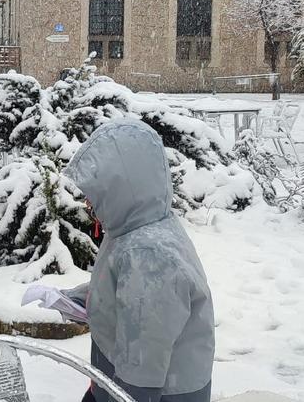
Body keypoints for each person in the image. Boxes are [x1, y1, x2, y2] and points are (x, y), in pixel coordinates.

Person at [62, 119, 215, 402]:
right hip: (114, 378)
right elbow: (126, 289)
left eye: (95, 192)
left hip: (153, 393)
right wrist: (85, 297)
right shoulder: (132, 226)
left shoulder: (149, 254)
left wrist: (117, 395)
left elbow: (142, 367)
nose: (87, 202)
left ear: (122, 186)